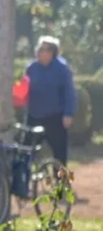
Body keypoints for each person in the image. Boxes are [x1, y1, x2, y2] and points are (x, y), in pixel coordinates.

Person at [25, 35, 76, 165]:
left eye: (46, 49)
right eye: (40, 49)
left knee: (59, 155)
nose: (41, 52)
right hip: (34, 116)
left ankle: (62, 184)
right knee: (25, 152)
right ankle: (23, 182)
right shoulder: (32, 68)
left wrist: (68, 114)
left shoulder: (61, 68)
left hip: (55, 117)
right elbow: (25, 89)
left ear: (52, 52)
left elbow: (69, 92)